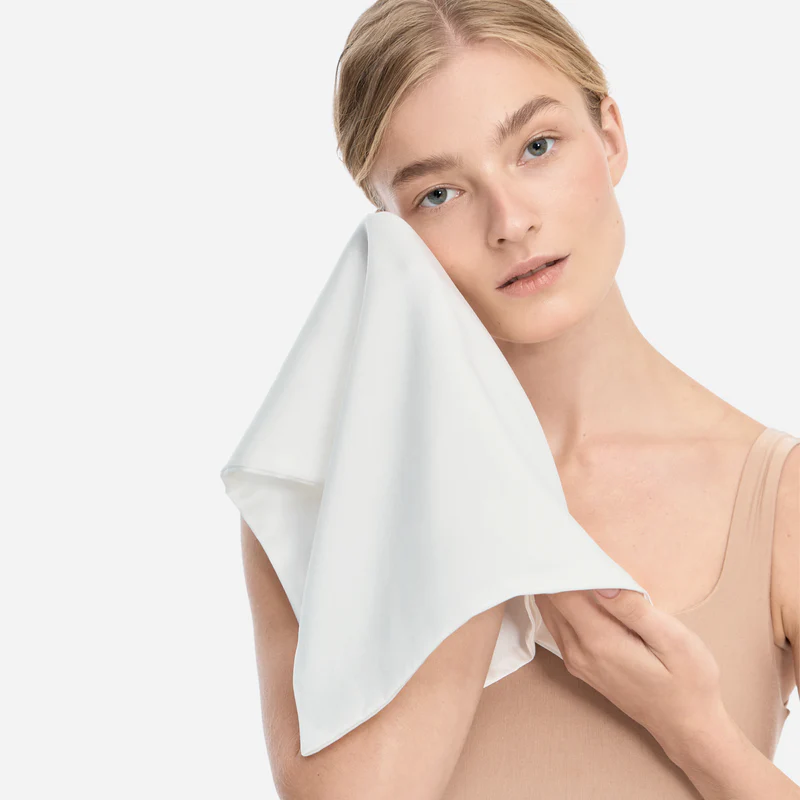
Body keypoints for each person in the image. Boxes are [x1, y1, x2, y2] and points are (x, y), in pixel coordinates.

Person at [239, 0, 800, 796]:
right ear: (389, 236)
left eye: (536, 147)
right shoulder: (326, 497)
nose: (509, 222)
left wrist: (694, 728)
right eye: (439, 193)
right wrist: (478, 508)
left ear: (610, 136)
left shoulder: (779, 501)